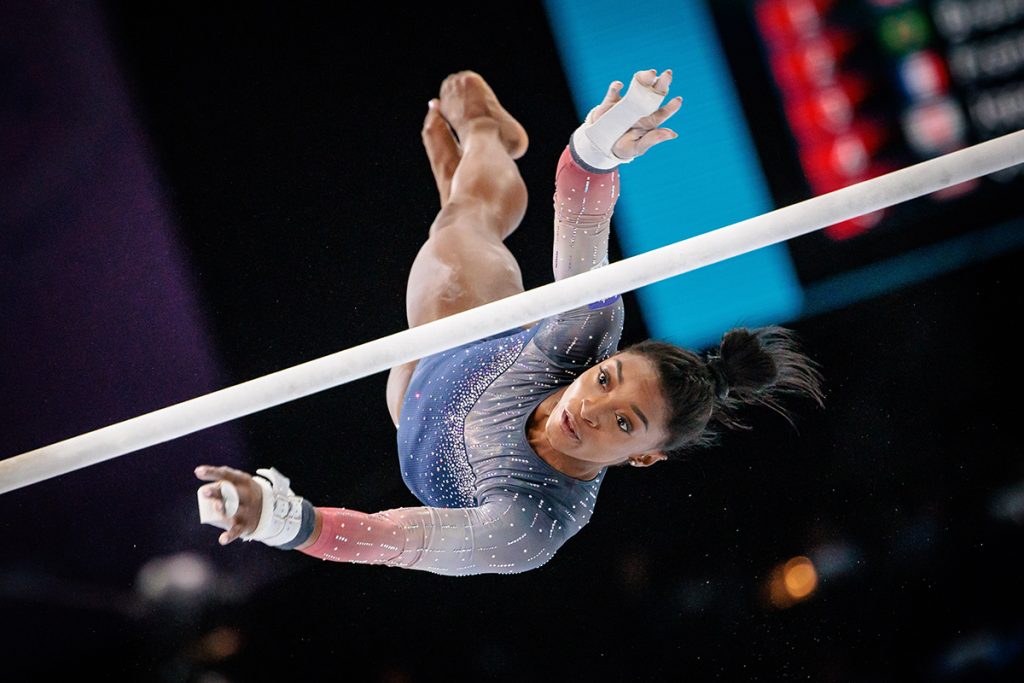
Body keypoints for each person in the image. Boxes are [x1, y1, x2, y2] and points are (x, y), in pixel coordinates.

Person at [195, 68, 824, 576]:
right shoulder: (587, 325)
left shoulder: (531, 527)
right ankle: (486, 137)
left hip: (413, 412)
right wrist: (601, 145)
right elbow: (580, 208)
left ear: (645, 458)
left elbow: (387, 538)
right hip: (466, 330)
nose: (590, 408)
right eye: (606, 380)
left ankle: (464, 184)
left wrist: (277, 518)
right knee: (457, 236)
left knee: (457, 221)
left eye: (626, 424)